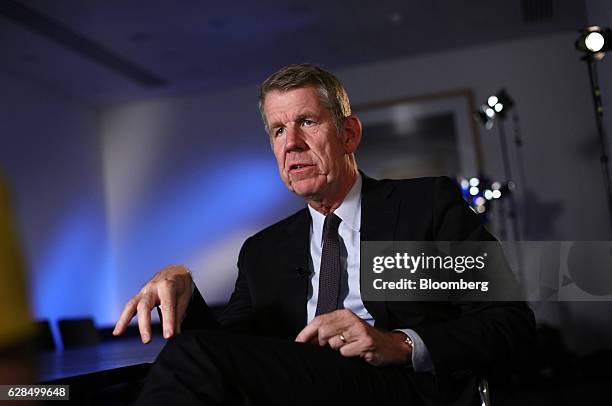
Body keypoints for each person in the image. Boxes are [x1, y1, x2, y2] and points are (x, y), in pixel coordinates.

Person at [113, 64, 535, 405]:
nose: (291, 143)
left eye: (307, 122)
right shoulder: (262, 251)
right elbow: (229, 352)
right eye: (278, 130)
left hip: (400, 387)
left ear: (348, 134)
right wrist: (185, 292)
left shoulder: (426, 205)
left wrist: (398, 344)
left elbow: (510, 323)